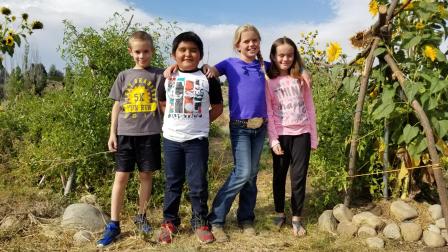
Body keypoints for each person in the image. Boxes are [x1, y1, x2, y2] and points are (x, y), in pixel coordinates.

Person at [97, 31, 165, 247]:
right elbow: (116, 105)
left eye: (146, 51)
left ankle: (141, 216)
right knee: (121, 178)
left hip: (150, 135)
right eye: (137, 52)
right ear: (130, 52)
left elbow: (167, 99)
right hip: (125, 135)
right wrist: (112, 133)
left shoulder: (159, 75)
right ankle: (114, 224)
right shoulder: (123, 75)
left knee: (146, 176)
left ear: (152, 51)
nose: (142, 56)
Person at [157, 31, 223, 244]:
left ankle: (200, 222)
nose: (188, 54)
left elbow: (218, 108)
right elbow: (163, 103)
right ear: (174, 54)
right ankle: (170, 222)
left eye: (193, 50)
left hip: (197, 140)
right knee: (172, 182)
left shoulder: (208, 78)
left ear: (200, 54)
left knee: (198, 183)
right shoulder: (167, 77)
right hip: (172, 139)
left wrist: (201, 122)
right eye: (182, 50)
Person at [205, 24, 269, 242]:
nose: (251, 44)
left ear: (259, 42)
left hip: (261, 127)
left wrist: (304, 72)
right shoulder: (229, 64)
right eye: (246, 41)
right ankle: (216, 219)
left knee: (251, 175)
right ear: (237, 45)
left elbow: (290, 69)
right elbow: (208, 71)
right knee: (242, 172)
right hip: (240, 127)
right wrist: (204, 66)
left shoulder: (264, 66)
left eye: (255, 40)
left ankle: (246, 218)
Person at [265, 37, 318, 237]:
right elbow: (269, 112)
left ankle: (297, 217)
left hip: (302, 134)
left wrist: (313, 136)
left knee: (299, 177)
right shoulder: (269, 81)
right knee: (279, 176)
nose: (285, 59)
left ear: (294, 56)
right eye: (281, 55)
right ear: (274, 57)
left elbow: (310, 107)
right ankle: (279, 213)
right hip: (281, 134)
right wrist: (273, 139)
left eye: (289, 55)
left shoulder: (301, 78)